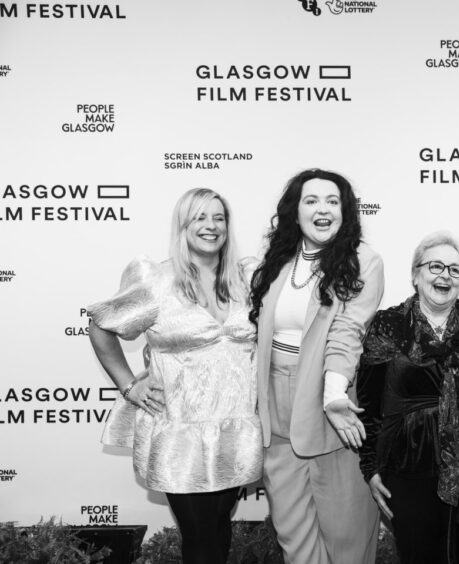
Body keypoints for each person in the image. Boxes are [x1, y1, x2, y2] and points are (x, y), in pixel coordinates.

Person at [88, 188, 262, 564]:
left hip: (234, 427)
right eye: (200, 218)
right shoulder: (156, 280)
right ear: (183, 226)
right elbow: (101, 326)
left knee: (218, 526)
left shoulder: (247, 278)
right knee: (199, 534)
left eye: (219, 218)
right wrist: (129, 384)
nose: (211, 226)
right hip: (179, 430)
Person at [249, 168, 382, 564]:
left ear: (345, 212)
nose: (322, 209)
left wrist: (334, 394)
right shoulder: (274, 263)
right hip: (276, 414)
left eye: (332, 201)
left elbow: (347, 330)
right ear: (296, 211)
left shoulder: (363, 261)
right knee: (294, 539)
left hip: (331, 407)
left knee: (347, 539)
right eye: (311, 200)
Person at [356, 231, 459, 564]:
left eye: (455, 270)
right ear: (415, 274)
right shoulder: (390, 323)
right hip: (405, 465)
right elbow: (368, 402)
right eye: (435, 266)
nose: (445, 276)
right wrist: (370, 468)